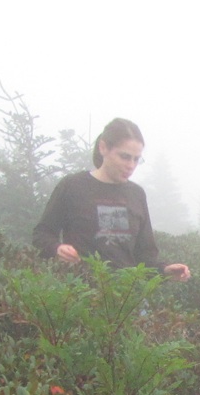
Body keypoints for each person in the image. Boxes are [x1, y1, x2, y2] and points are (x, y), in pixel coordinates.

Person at [32, 117, 191, 280]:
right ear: (103, 147)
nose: (131, 165)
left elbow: (145, 256)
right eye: (124, 156)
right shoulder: (72, 186)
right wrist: (56, 248)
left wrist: (164, 271)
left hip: (126, 297)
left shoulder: (136, 194)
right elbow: (42, 234)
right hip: (79, 295)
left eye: (136, 159)